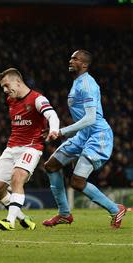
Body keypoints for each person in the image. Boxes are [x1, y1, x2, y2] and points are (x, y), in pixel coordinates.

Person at [42, 50, 127, 228]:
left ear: (85, 65)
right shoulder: (77, 83)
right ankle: (64, 214)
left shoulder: (87, 84)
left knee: (77, 182)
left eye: (76, 58)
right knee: (51, 165)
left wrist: (62, 131)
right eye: (71, 57)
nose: (71, 60)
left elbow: (90, 119)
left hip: (98, 136)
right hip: (83, 136)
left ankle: (115, 209)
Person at [0, 68, 60, 231]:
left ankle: (10, 221)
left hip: (31, 148)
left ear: (18, 81)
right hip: (11, 148)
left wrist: (54, 129)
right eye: (3, 87)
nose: (5, 90)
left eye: (7, 85)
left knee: (17, 178)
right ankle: (23, 218)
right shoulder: (11, 100)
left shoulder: (37, 99)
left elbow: (52, 115)